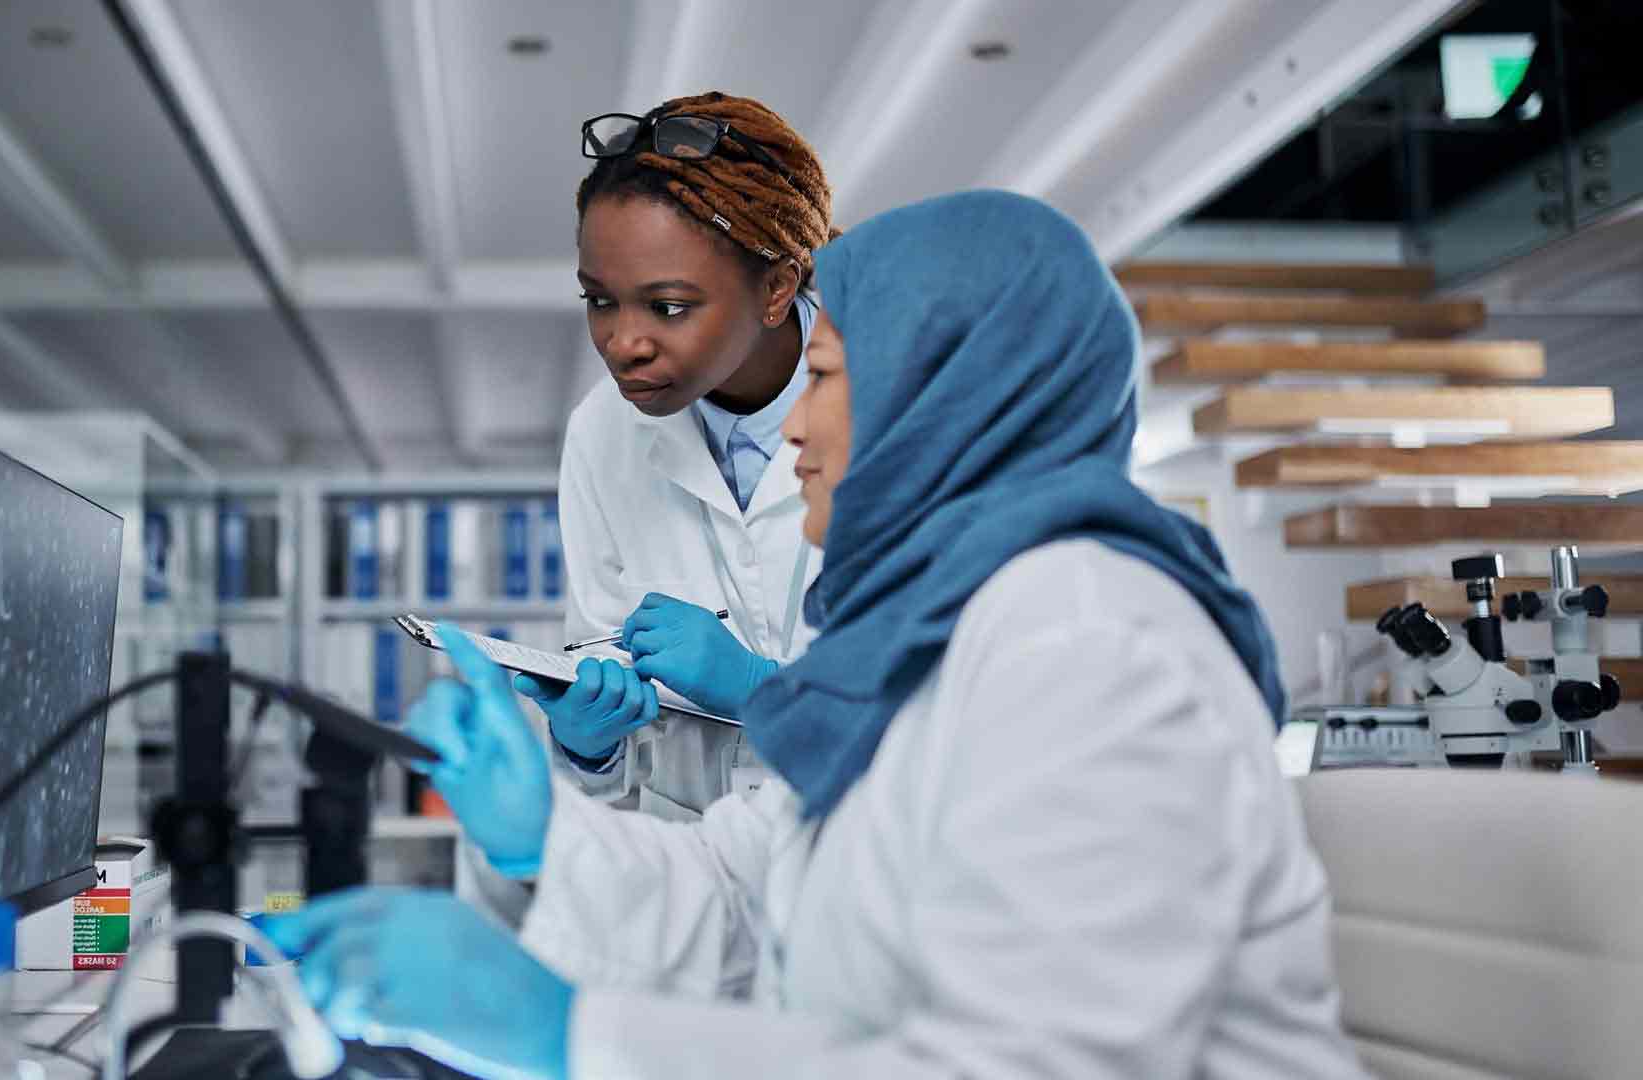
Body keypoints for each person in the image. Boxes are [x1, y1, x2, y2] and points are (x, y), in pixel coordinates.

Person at [267, 192, 1365, 1078]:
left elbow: (1028, 1064)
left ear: (945, 401)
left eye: (827, 379)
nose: (793, 425)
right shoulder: (919, 644)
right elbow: (748, 893)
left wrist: (567, 1037)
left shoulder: (1085, 645)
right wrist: (537, 840)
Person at [522, 91, 836, 823]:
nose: (622, 343)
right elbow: (615, 753)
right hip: (692, 889)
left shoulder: (903, 406)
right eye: (600, 301)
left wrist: (763, 692)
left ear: (776, 288)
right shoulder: (602, 433)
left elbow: (962, 726)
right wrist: (587, 746)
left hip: (866, 878)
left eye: (667, 306)